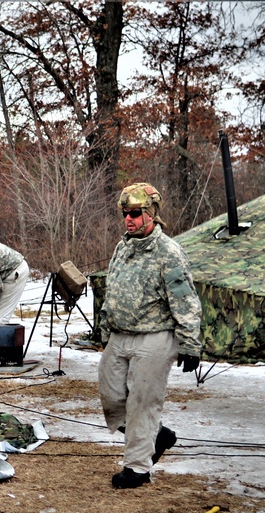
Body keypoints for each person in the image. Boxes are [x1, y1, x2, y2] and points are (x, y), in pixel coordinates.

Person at [98, 183, 202, 489]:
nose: (128, 219)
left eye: (134, 213)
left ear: (151, 215)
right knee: (111, 396)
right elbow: (113, 289)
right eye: (125, 214)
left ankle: (137, 468)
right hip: (120, 334)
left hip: (155, 336)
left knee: (143, 402)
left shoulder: (169, 253)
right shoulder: (124, 246)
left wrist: (190, 343)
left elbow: (185, 301)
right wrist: (105, 326)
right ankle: (157, 437)